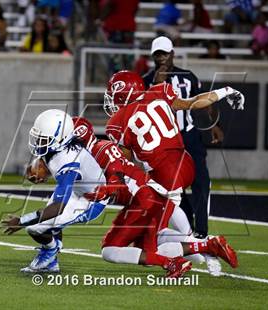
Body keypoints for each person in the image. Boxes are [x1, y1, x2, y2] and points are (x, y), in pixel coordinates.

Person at [103, 71, 241, 272]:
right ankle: (200, 247)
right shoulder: (159, 92)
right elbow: (193, 102)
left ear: (122, 93)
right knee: (164, 212)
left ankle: (204, 247)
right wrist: (225, 91)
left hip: (164, 175)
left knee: (149, 246)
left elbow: (126, 163)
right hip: (185, 163)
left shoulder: (117, 121)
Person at [74, 116, 239, 276]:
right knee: (151, 241)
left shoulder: (101, 150)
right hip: (147, 198)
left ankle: (179, 259)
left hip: (144, 200)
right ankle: (207, 245)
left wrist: (106, 190)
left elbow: (117, 176)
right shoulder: (95, 153)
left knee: (114, 251)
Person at [0, 109, 108, 273]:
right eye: (38, 138)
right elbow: (48, 160)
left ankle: (51, 249)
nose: (38, 142)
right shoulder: (59, 146)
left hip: (91, 199)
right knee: (47, 225)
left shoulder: (68, 161)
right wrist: (39, 170)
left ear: (61, 138)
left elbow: (58, 207)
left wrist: (22, 221)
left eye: (43, 139)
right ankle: (51, 263)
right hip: (77, 189)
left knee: (35, 228)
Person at [143, 36, 224, 240]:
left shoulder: (187, 76)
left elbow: (202, 100)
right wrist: (155, 85)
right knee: (171, 188)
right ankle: (188, 226)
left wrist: (214, 125)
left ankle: (202, 231)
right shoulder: (146, 81)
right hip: (163, 142)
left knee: (201, 181)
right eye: (157, 54)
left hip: (188, 137)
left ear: (172, 54)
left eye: (164, 53)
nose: (161, 58)